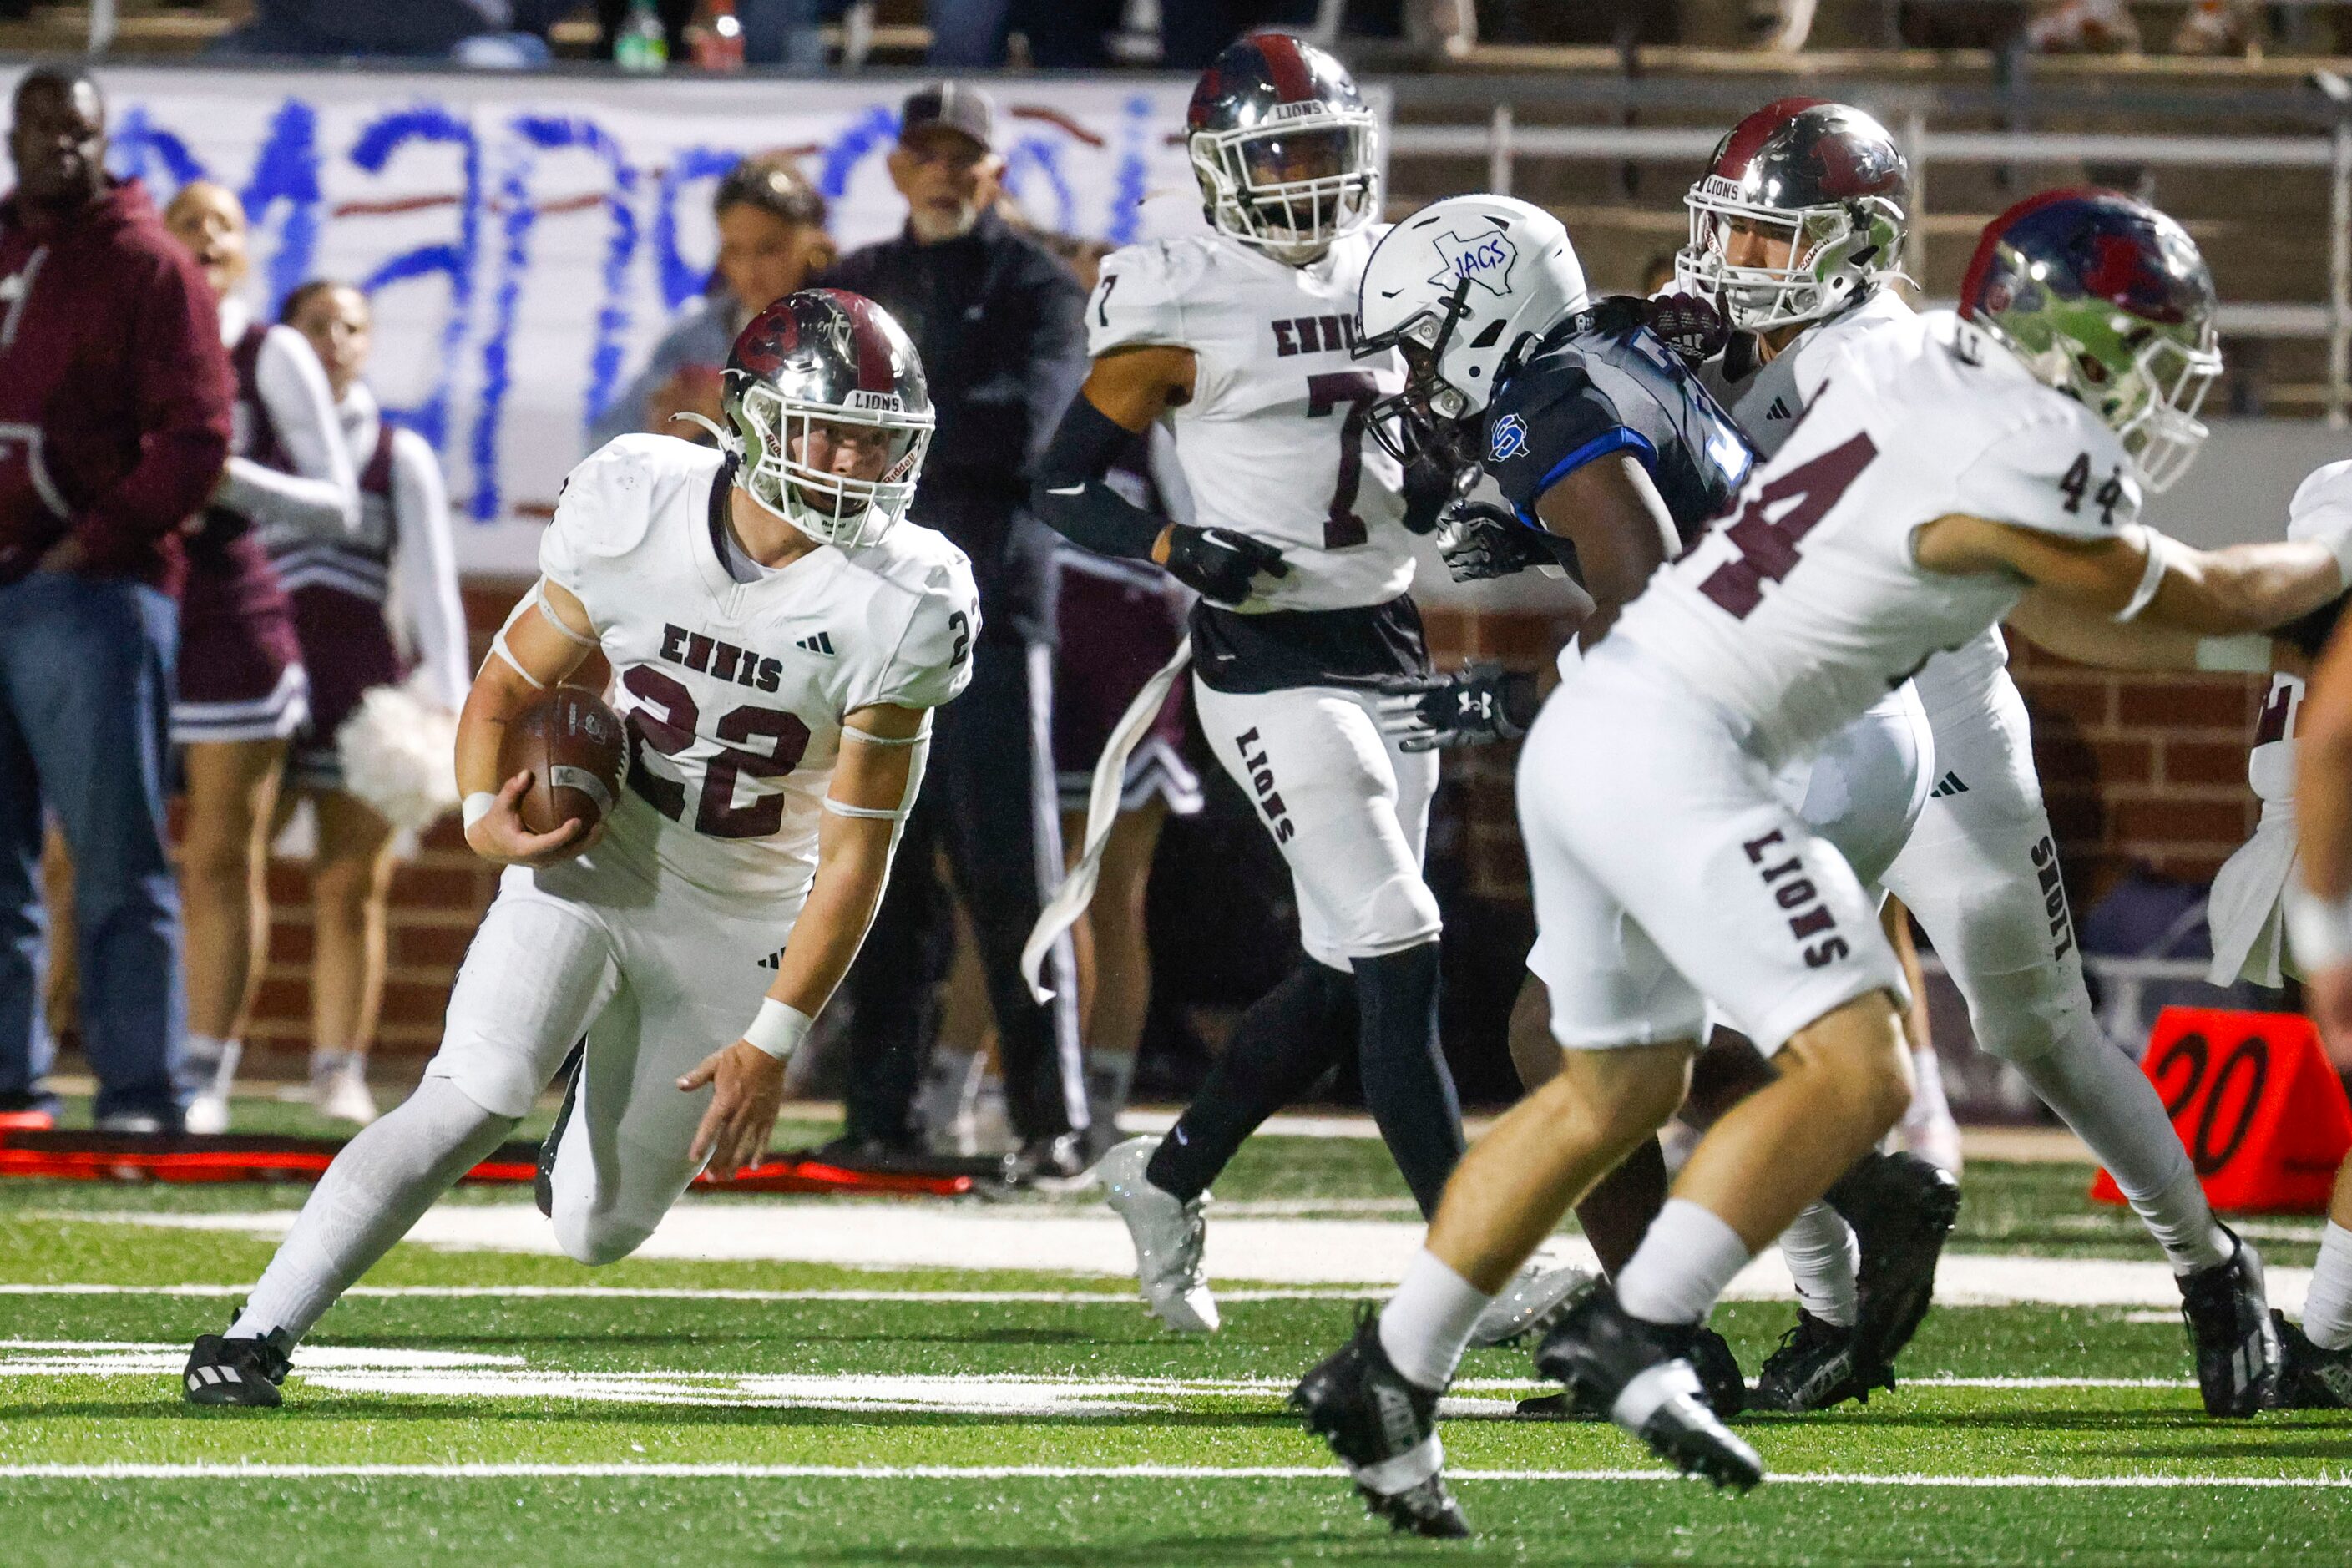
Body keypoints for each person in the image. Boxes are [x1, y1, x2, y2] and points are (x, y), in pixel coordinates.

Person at [1294, 189, 2349, 1528]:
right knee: (1854, 1075)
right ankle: (1640, 1329)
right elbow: (2176, 595)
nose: (2149, 385)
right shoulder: (2029, 442)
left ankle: (1389, 1369)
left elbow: (2083, 609)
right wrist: (2325, 570)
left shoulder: (1909, 363)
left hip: (1609, 730)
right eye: (2140, 349)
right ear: (2069, 338)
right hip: (1699, 751)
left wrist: (2279, 632)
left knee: (1598, 1082)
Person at [180, 287, 978, 1406]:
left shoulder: (906, 594)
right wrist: (476, 813)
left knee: (600, 1231)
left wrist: (775, 1037)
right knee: (472, 1088)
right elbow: (508, 684)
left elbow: (856, 854)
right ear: (752, 418)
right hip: (597, 856)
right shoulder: (638, 502)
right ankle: (256, 1332)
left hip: (746, 910)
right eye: (829, 428)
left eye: (878, 438)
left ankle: (589, 1116)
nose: (854, 460)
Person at [1361, 188, 1959, 1434]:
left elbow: (1652, 587)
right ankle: (1774, 1256)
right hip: (1841, 721)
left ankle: (1695, 1314)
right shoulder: (1602, 351)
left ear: (1479, 319)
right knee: (1611, 1036)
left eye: (1422, 346)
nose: (1413, 382)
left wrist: (1524, 692)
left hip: (1767, 729)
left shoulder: (1545, 400)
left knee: (1564, 1036)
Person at [1033, 36, 1538, 1336]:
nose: (1310, 179)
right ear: (1219, 171)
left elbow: (1448, 447)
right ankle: (1470, 1261)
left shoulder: (1393, 269)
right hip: (1262, 655)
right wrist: (1170, 543)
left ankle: (1165, 1169)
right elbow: (1062, 479)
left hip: (1388, 635)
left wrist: (1445, 472)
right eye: (1281, 154)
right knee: (1400, 937)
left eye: (1327, 149)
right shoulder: (1179, 294)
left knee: (1341, 968)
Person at [819, 83, 1093, 1181]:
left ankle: (1051, 1115)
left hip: (991, 611)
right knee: (873, 865)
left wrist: (883, 427)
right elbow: (809, 429)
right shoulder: (860, 280)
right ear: (896, 167)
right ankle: (880, 1110)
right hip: (866, 611)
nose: (942, 170)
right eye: (924, 153)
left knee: (1009, 869)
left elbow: (1027, 431)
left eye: (960, 154)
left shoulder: (1035, 284)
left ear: (995, 170)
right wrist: (932, 425)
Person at [0, 66, 233, 1134]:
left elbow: (197, 438)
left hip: (90, 595)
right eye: (40, 127)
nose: (59, 146)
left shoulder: (149, 265)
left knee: (115, 855)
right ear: (12, 135)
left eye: (78, 130)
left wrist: (87, 544)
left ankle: (141, 1092)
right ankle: (13, 1085)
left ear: (106, 139)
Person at [163, 180, 360, 1137]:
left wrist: (224, 477)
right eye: (185, 223)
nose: (204, 237)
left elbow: (338, 505)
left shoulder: (267, 349)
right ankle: (61, 1056)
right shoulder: (120, 337)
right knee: (73, 859)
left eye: (223, 225)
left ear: (245, 250)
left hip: (229, 609)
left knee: (218, 855)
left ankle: (205, 1071)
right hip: (122, 600)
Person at [263, 278, 470, 1126]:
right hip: (262, 685)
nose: (334, 341)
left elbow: (432, 588)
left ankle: (338, 1068)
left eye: (351, 327)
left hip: (359, 694)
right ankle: (206, 1061)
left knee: (352, 887)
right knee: (224, 870)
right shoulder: (253, 441)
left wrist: (450, 708)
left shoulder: (396, 454)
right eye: (316, 325)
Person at [590, 153, 832, 451]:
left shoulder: (847, 331)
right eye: (735, 251)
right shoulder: (694, 342)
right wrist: (658, 430)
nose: (751, 269)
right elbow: (603, 445)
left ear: (811, 243)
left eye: (769, 249)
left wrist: (741, 401)